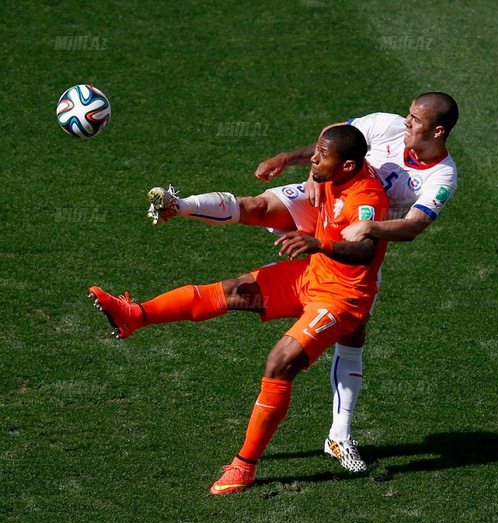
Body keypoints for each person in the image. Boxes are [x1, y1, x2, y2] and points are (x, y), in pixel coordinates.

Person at [146, 92, 459, 472]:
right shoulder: (386, 124)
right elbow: (334, 139)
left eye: (415, 119)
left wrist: (369, 227)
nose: (406, 122)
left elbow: (414, 225)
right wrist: (300, 165)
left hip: (358, 238)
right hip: (326, 197)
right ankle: (181, 206)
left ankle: (339, 435)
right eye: (408, 115)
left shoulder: (441, 175)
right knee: (258, 206)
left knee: (352, 335)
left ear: (438, 130)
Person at [89, 125, 389, 495]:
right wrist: (302, 166)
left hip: (343, 296)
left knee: (280, 362)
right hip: (312, 275)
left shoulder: (367, 197)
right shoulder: (332, 170)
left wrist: (316, 242)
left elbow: (366, 252)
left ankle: (244, 466)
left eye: (322, 157)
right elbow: (319, 160)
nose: (314, 160)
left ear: (346, 166)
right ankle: (134, 315)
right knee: (233, 291)